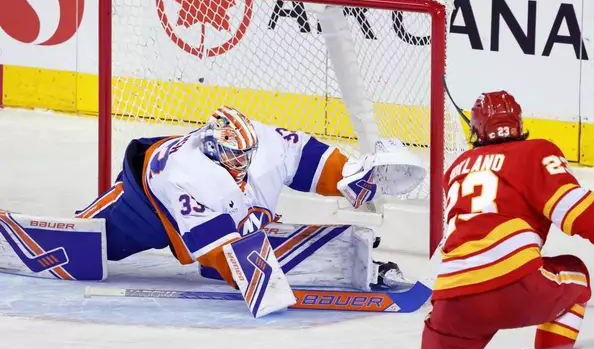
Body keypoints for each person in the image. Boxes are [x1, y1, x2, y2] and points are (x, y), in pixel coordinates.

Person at [76, 106, 426, 290]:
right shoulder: (187, 176)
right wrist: (253, 273)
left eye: (247, 154)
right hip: (151, 206)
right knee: (100, 241)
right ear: (213, 148)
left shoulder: (260, 144)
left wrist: (348, 175)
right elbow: (217, 255)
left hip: (213, 212)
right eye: (234, 157)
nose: (243, 162)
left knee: (249, 231)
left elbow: (308, 158)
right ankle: (75, 230)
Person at [418, 91, 594, 349]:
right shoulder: (535, 151)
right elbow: (573, 210)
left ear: (476, 130)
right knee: (576, 275)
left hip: (452, 299)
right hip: (515, 283)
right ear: (519, 124)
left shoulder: (456, 169)